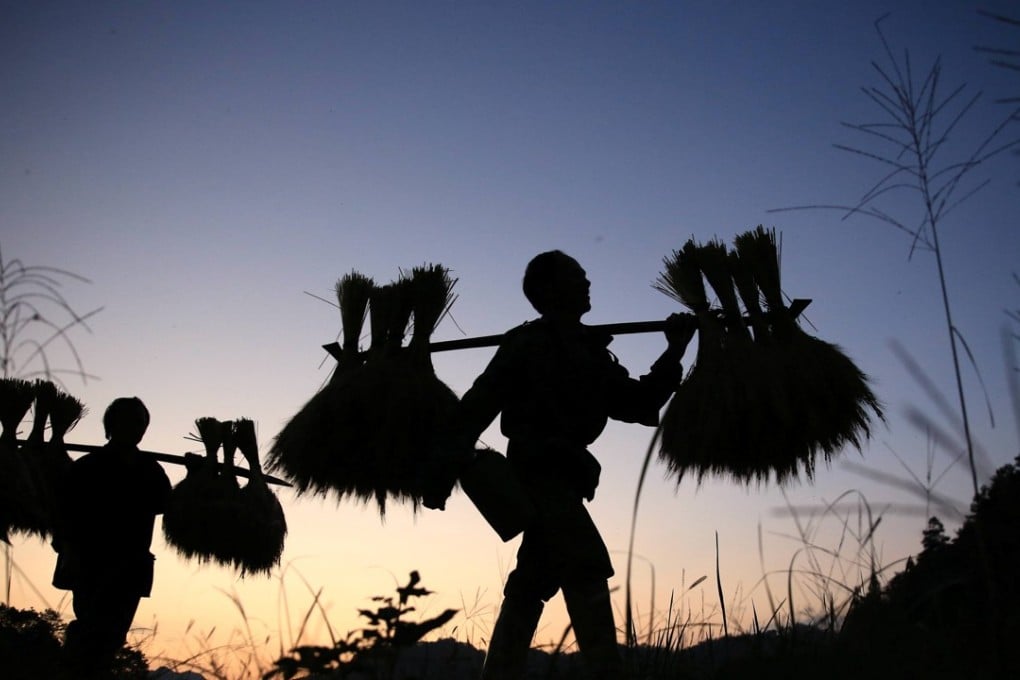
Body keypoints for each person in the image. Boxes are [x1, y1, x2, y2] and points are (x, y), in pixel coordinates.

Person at [433, 250, 698, 680]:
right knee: (586, 566)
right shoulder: (526, 343)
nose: (587, 283)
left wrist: (674, 350)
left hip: (567, 478)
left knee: (532, 581)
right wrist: (441, 471)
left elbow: (639, 402)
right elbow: (478, 404)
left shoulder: (590, 352)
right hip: (539, 474)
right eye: (578, 277)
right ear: (550, 290)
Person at [53, 396, 172, 677]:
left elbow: (166, 504)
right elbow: (63, 513)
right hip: (90, 563)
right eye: (129, 422)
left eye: (140, 423)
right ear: (112, 425)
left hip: (130, 568)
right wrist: (68, 548)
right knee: (91, 632)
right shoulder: (87, 467)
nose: (136, 429)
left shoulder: (149, 469)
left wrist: (195, 473)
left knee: (112, 638)